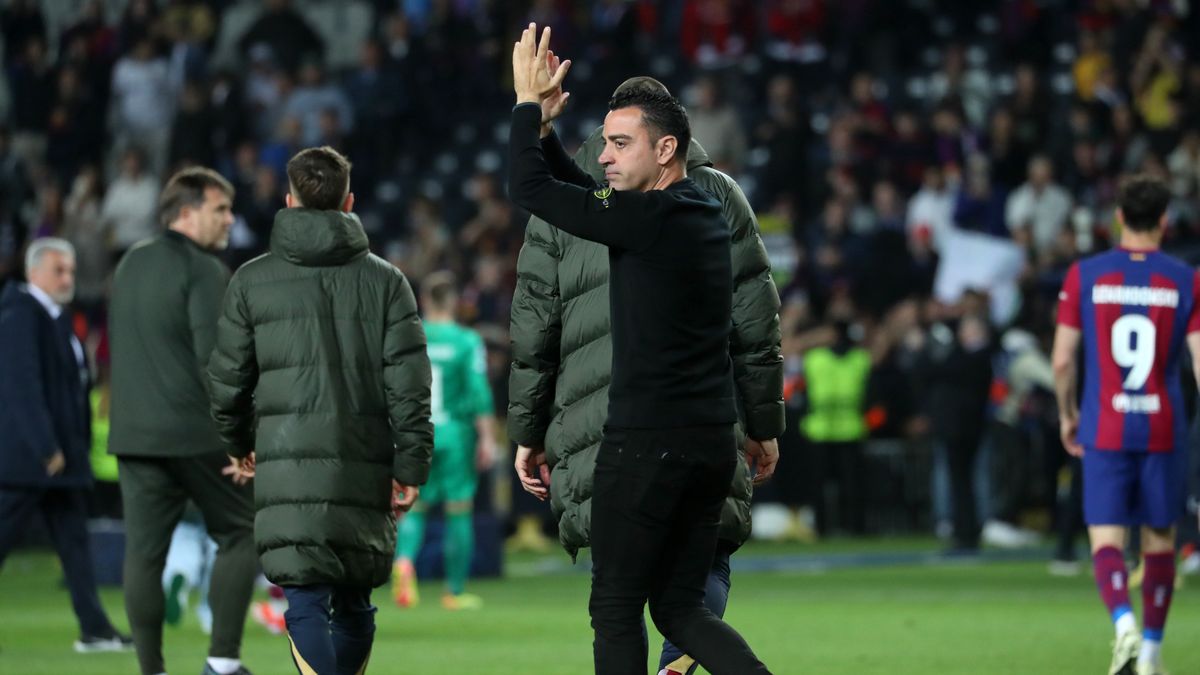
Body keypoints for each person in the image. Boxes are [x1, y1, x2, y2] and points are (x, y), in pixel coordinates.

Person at [507, 25, 775, 675]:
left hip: (647, 441)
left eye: (620, 144)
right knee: (682, 609)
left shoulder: (644, 219)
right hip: (709, 440)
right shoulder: (700, 210)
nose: (603, 154)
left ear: (666, 148)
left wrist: (524, 107)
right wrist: (547, 137)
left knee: (617, 606)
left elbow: (533, 192)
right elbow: (582, 196)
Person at [208, 146, 433, 675]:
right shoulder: (386, 281)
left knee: (305, 599)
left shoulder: (250, 281)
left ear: (288, 201)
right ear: (348, 201)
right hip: (364, 465)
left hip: (285, 464)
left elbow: (227, 383)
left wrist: (240, 444)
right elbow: (411, 386)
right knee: (355, 602)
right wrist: (411, 467)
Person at [108, 167, 257, 675]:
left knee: (143, 556)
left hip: (133, 435)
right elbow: (214, 361)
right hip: (194, 432)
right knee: (243, 530)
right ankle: (221, 662)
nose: (230, 220)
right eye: (220, 210)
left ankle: (151, 669)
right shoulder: (203, 269)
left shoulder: (129, 263)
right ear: (187, 212)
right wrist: (241, 437)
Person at [1052, 174, 1200, 675]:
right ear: (1164, 222)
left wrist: (1068, 413)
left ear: (1117, 218)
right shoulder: (1186, 279)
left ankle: (1123, 625)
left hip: (1106, 425)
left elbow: (1062, 361)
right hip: (1163, 427)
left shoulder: (1085, 275)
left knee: (1107, 541)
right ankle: (1152, 655)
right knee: (1161, 540)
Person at [0, 238, 132, 654]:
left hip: (63, 459)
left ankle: (94, 628)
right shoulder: (22, 314)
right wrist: (46, 447)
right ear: (33, 271)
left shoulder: (55, 316)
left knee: (75, 546)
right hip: (32, 459)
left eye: (71, 271)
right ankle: (95, 627)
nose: (68, 278)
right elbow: (22, 387)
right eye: (59, 270)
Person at [393, 271, 497, 611]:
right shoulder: (466, 341)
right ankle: (454, 591)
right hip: (455, 435)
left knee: (415, 505)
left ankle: (404, 561)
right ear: (453, 302)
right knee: (458, 511)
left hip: (416, 433)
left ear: (423, 300)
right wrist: (488, 438)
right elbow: (479, 393)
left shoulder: (409, 337)